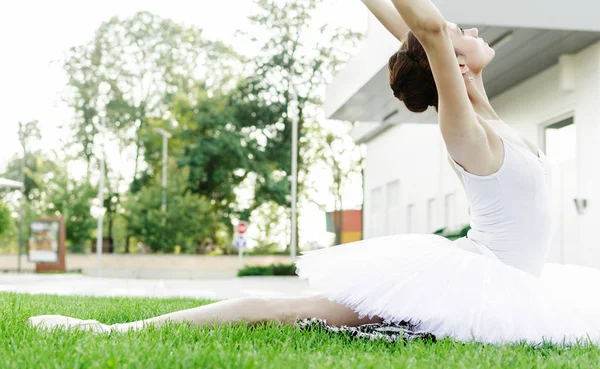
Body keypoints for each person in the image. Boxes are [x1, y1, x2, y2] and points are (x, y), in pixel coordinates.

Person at [28, 0, 600, 344]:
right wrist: (430, 34)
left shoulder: (491, 117)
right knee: (292, 310)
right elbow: (425, 28)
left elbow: (418, 31)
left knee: (305, 312)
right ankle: (109, 332)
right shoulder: (463, 130)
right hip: (475, 275)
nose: (467, 30)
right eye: (455, 33)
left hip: (507, 278)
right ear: (449, 63)